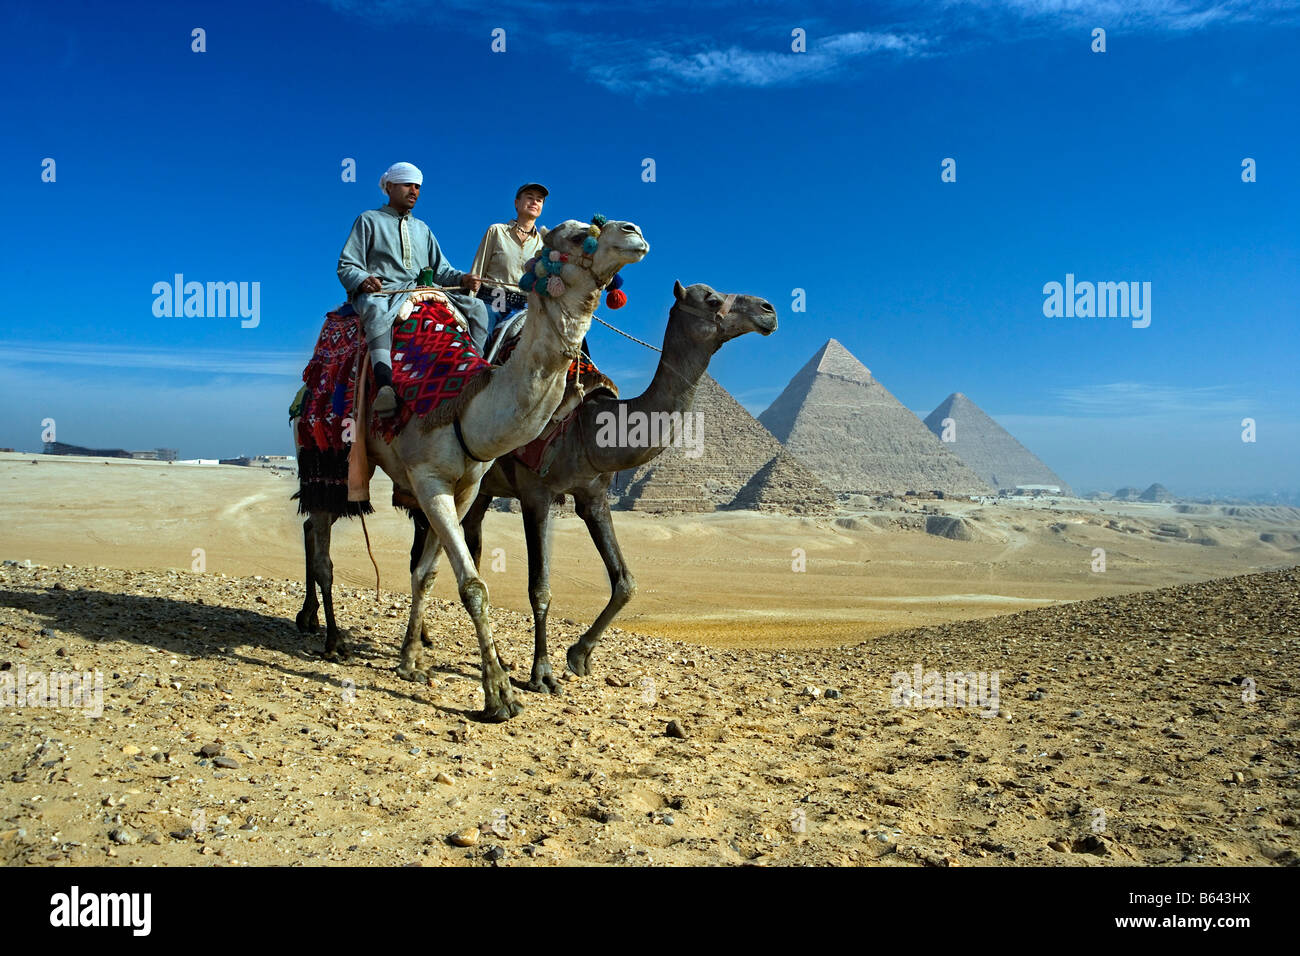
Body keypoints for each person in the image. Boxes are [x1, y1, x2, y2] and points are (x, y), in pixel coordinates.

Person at [337, 162, 487, 416]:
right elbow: (347, 265)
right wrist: (363, 280)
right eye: (408, 184)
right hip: (385, 292)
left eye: (418, 186)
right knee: (374, 308)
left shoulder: (423, 229)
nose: (414, 191)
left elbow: (441, 269)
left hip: (421, 290)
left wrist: (462, 278)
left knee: (477, 307)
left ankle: (474, 371)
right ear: (390, 186)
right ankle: (385, 384)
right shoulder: (368, 220)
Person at [470, 182, 547, 344]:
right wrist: (470, 303)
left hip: (525, 307)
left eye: (539, 200)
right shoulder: (496, 231)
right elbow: (478, 271)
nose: (534, 202)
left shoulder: (544, 245)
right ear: (516, 203)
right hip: (492, 302)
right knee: (479, 342)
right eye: (530, 197)